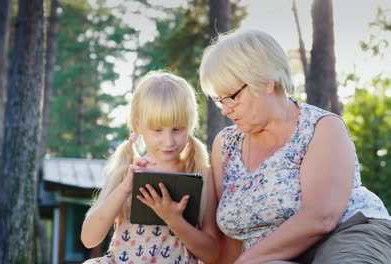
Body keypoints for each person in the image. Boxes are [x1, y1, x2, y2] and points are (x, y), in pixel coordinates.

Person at [199, 29, 391, 264]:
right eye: (219, 101)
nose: (225, 109)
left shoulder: (322, 126)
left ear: (266, 81)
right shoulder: (226, 144)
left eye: (231, 96)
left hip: (347, 233)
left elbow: (321, 218)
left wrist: (245, 262)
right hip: (271, 256)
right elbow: (230, 242)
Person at [80, 70, 220, 264]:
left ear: (190, 124)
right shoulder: (126, 170)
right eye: (157, 130)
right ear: (138, 126)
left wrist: (174, 219)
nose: (168, 141)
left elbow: (212, 254)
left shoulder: (202, 174)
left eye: (177, 129)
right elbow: (89, 239)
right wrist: (124, 189)